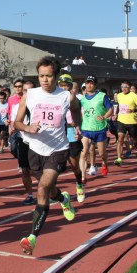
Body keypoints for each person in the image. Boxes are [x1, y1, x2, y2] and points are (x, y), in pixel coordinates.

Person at [15, 56, 76, 256]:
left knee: (42, 189)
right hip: (34, 149)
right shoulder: (30, 95)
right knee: (49, 191)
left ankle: (32, 237)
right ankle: (63, 198)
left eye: (49, 76)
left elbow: (76, 112)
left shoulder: (66, 96)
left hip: (57, 149)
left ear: (56, 76)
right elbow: (16, 122)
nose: (45, 80)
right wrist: (28, 127)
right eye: (41, 76)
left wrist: (79, 125)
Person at [58, 74, 85, 203]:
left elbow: (78, 115)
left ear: (70, 87)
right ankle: (53, 192)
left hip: (71, 133)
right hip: (58, 135)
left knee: (74, 165)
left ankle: (79, 185)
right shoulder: (54, 99)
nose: (63, 88)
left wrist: (78, 127)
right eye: (61, 85)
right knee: (55, 167)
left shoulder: (74, 99)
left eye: (66, 86)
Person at [80, 75, 113, 179]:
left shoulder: (102, 96)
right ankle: (82, 177)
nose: (89, 85)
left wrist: (104, 117)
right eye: (87, 83)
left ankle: (104, 163)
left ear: (95, 85)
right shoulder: (83, 99)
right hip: (86, 128)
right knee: (84, 152)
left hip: (100, 129)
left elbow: (110, 109)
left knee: (102, 153)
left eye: (91, 83)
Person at [113, 81, 137, 166]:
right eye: (122, 86)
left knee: (134, 140)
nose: (124, 88)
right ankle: (119, 158)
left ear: (129, 87)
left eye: (126, 86)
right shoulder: (119, 95)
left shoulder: (134, 96)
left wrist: (133, 110)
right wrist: (116, 114)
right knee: (120, 139)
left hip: (132, 122)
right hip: (121, 120)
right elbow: (120, 106)